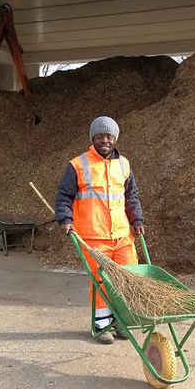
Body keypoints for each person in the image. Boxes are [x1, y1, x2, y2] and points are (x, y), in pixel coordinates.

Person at [55, 116, 145, 344]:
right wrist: (65, 219)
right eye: (100, 136)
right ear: (92, 138)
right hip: (94, 237)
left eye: (109, 136)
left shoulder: (124, 164)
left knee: (127, 279)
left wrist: (137, 220)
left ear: (115, 139)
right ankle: (102, 324)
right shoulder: (78, 164)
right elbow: (63, 196)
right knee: (102, 280)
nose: (104, 140)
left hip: (122, 236)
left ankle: (121, 321)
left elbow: (131, 197)